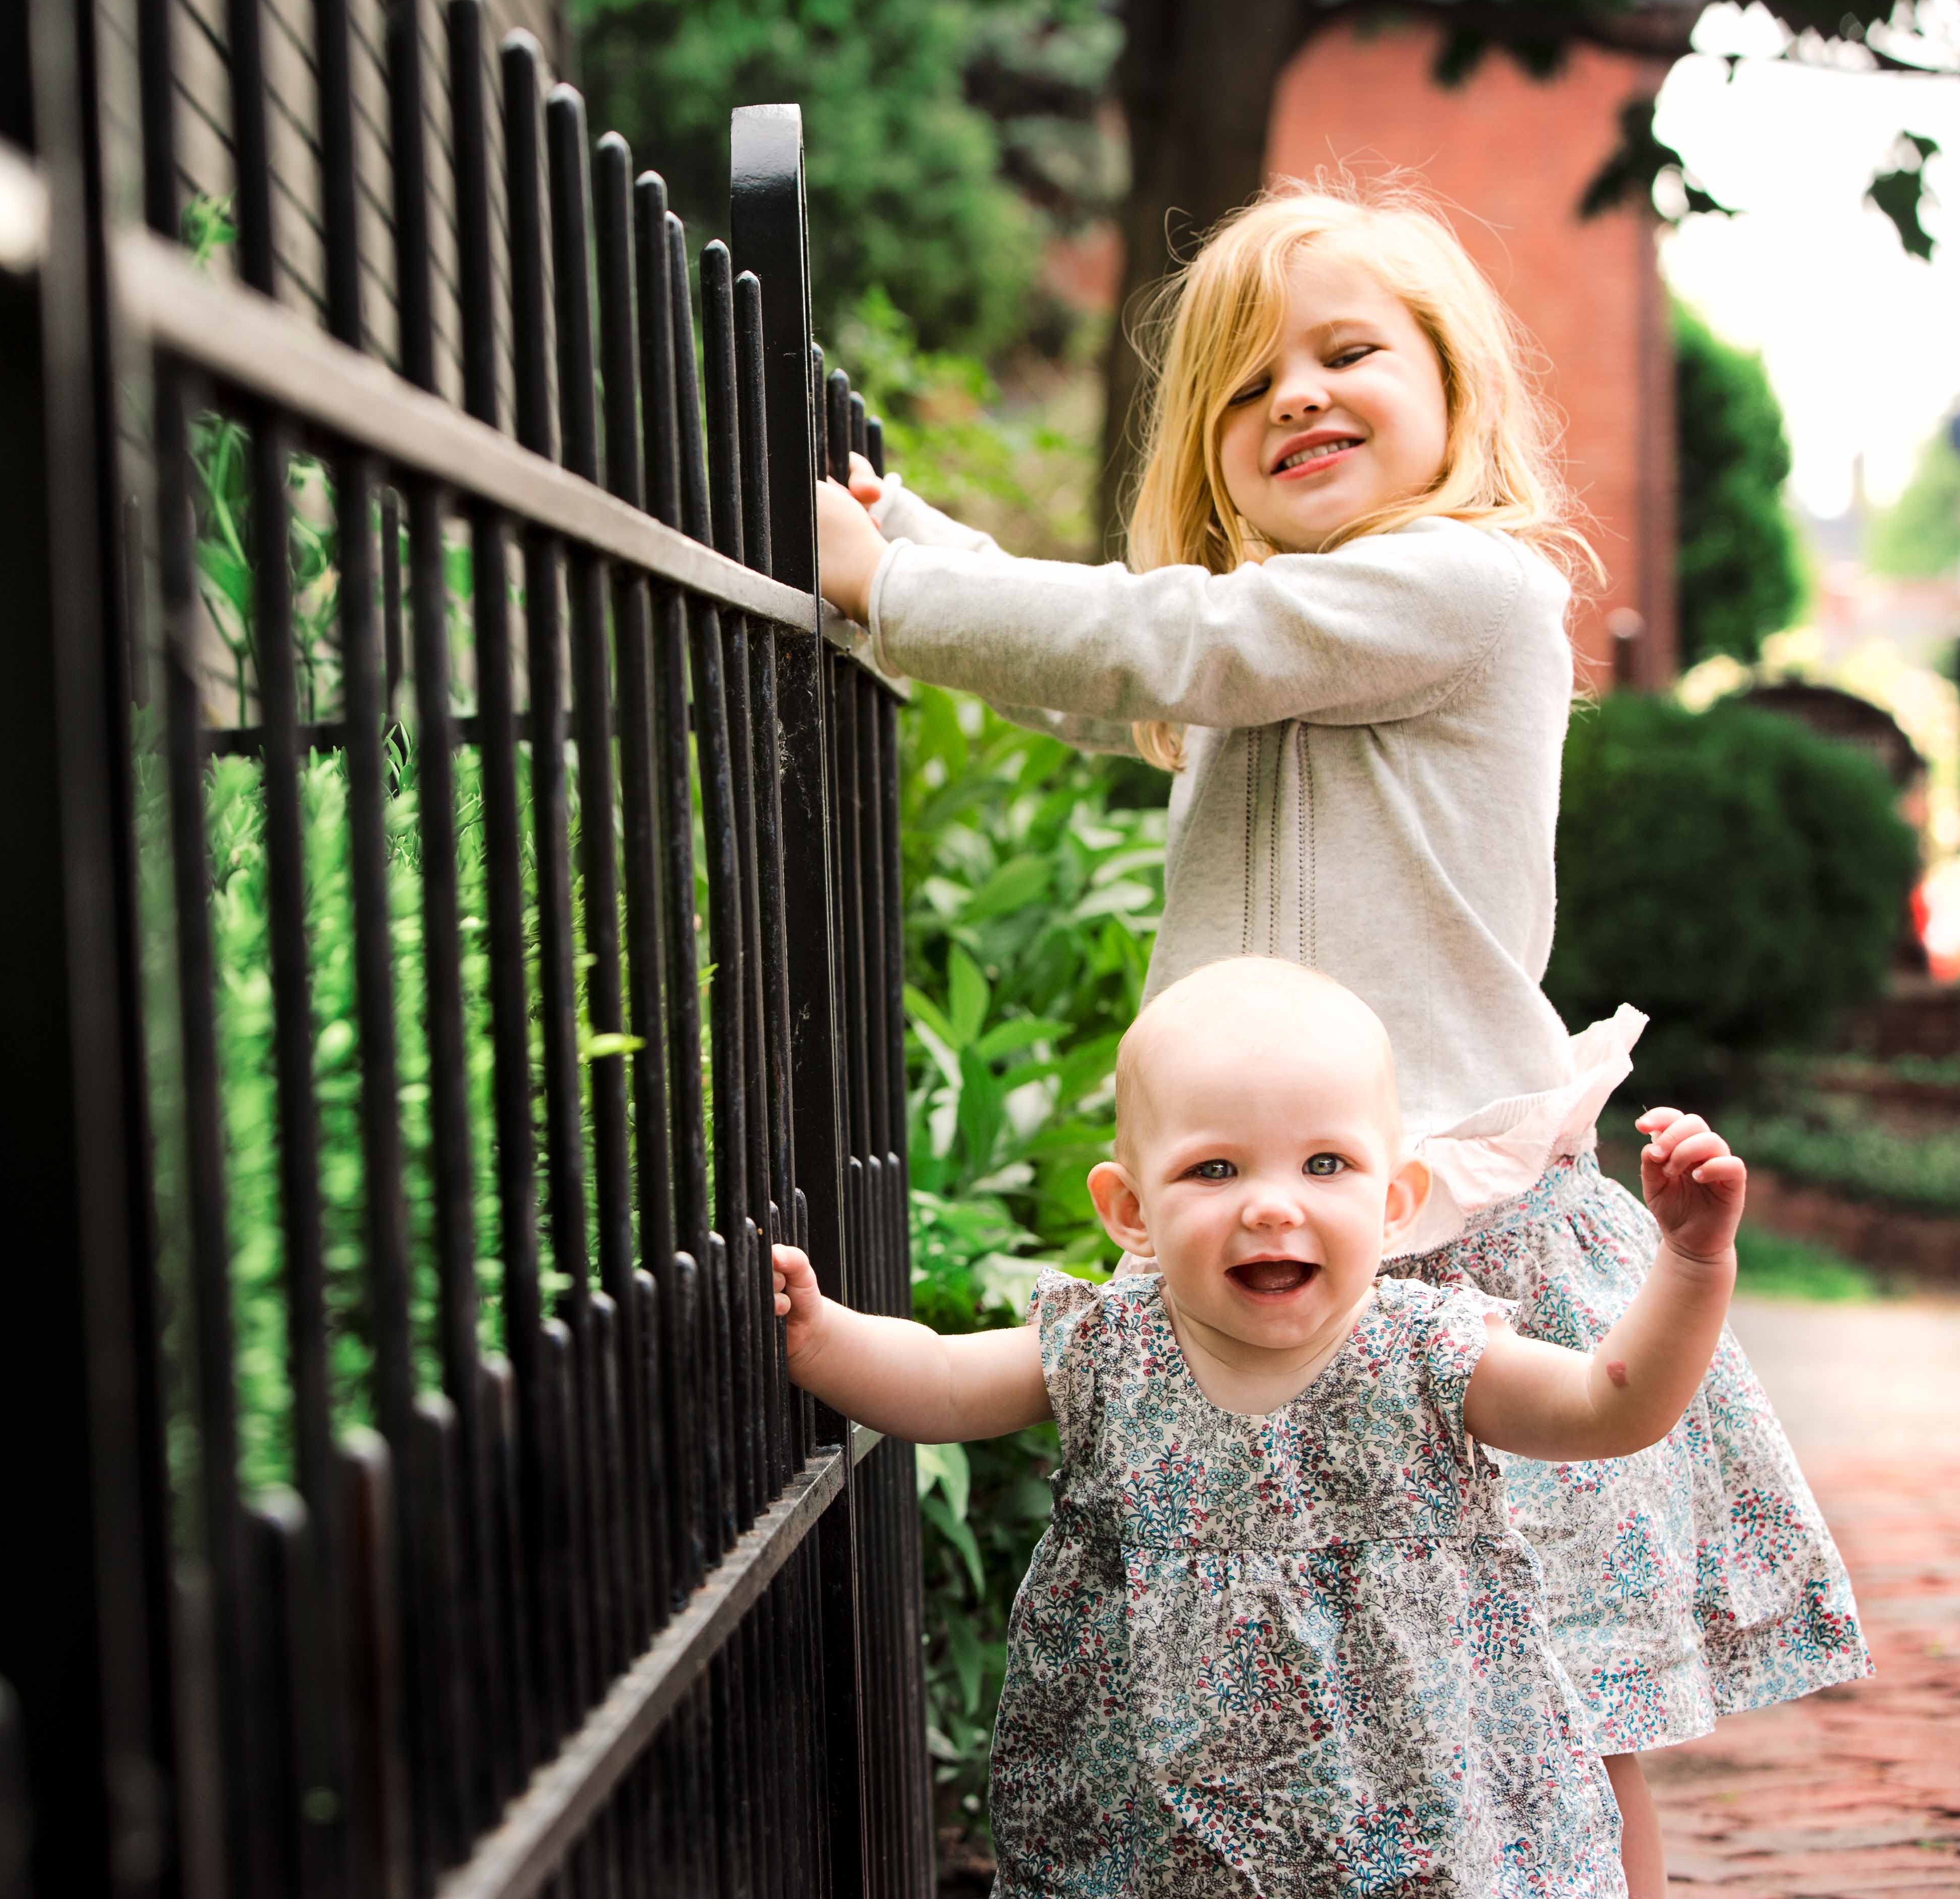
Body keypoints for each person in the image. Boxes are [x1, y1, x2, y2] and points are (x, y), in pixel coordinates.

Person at [810, 183, 1866, 1894]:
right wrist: (900, 540)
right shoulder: (1269, 647)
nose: (1293, 395)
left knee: (1550, 1704)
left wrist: (895, 591)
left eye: (1348, 353)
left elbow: (1170, 637)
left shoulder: (1465, 592)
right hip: (1278, 1229)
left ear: (1455, 391)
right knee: (1327, 1700)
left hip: (1452, 1233)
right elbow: (1112, 670)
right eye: (1242, 385)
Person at [772, 958, 1748, 1895]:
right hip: (1153, 1831)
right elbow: (941, 1382)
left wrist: (1693, 1268)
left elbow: (1610, 1405)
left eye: (1326, 1163)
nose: (1272, 1206)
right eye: (1214, 1169)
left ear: (1397, 1202)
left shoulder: (1431, 1353)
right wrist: (821, 1339)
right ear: (1130, 1211)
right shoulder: (1109, 1346)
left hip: (1419, 1821)